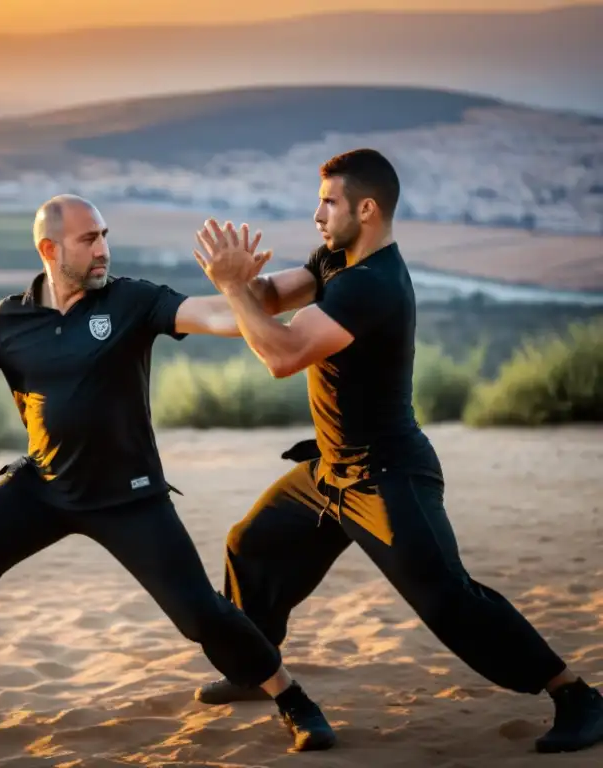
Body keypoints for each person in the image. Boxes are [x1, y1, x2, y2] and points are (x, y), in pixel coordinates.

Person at [0, 193, 337, 753]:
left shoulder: (133, 301)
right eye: (88, 239)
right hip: (45, 485)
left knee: (201, 614)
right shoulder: (8, 319)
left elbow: (217, 315)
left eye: (104, 236)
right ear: (49, 249)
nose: (103, 249)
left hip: (129, 495)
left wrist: (239, 284)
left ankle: (292, 698)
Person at [189, 148, 603, 755]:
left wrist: (232, 287)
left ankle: (575, 695)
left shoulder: (373, 285)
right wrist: (237, 280)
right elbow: (271, 299)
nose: (317, 214)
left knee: (448, 598)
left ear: (368, 208)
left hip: (386, 476)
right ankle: (256, 667)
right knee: (249, 546)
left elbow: (280, 355)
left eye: (328, 202)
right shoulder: (337, 260)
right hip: (329, 472)